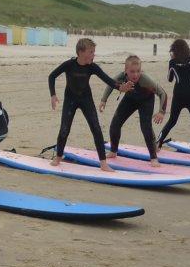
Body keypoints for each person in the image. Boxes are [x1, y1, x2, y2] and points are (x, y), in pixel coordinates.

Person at [48, 38, 133, 171]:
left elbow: (109, 80)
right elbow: (51, 76)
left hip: (86, 99)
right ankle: (58, 157)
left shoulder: (92, 67)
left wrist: (121, 87)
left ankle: (103, 163)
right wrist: (53, 95)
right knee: (64, 129)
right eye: (91, 52)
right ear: (81, 52)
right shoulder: (69, 65)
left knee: (96, 129)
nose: (94, 54)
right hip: (70, 100)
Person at [100, 55, 167, 164]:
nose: (135, 74)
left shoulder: (145, 80)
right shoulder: (121, 76)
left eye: (138, 71)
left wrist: (161, 112)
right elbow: (110, 84)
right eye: (132, 71)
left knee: (145, 127)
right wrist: (103, 100)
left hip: (146, 101)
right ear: (126, 71)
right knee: (115, 124)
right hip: (130, 99)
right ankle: (113, 151)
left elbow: (162, 93)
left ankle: (154, 158)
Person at [156, 39, 190, 157]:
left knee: (172, 121)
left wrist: (173, 62)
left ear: (174, 51)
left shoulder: (172, 62)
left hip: (178, 96)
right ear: (187, 49)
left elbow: (170, 79)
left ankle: (158, 143)